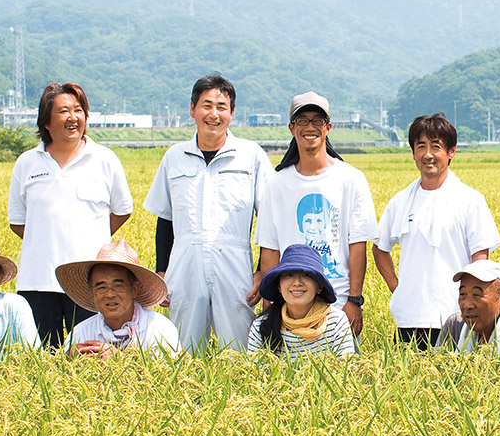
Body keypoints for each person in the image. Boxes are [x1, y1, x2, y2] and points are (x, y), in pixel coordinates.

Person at [143, 73, 273, 352]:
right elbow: (165, 219)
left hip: (235, 263)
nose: (214, 114)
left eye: (221, 107)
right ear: (192, 109)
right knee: (182, 350)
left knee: (239, 349)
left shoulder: (250, 155)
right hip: (184, 265)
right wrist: (161, 270)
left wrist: (263, 271)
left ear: (232, 113)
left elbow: (269, 219)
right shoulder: (174, 157)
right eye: (206, 105)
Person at [7, 82, 133, 349]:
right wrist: (46, 238)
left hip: (88, 283)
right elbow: (18, 221)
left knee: (89, 357)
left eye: (79, 110)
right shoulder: (27, 162)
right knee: (41, 358)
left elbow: (122, 211)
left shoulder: (104, 159)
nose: (73, 117)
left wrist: (88, 236)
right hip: (37, 280)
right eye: (64, 111)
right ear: (46, 121)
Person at [373, 113, 500, 350]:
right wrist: (397, 288)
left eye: (436, 146)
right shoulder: (400, 201)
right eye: (420, 146)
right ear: (413, 153)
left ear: (451, 152)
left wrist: (473, 307)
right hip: (408, 318)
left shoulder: (469, 200)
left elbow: (480, 262)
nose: (428, 154)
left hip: (455, 317)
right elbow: (380, 248)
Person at [253, 92, 378, 337]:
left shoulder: (351, 179)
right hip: (289, 306)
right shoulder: (277, 186)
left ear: (328, 127)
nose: (310, 127)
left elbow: (357, 247)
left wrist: (354, 299)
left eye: (317, 121)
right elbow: (269, 251)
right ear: (291, 128)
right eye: (302, 121)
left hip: (338, 302)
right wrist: (269, 307)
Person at [56, 240, 180, 357]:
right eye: (101, 287)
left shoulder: (159, 329)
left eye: (118, 286)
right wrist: (69, 358)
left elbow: (170, 373)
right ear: (92, 292)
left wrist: (120, 360)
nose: (110, 294)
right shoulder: (81, 333)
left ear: (135, 289)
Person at [247, 244, 355, 358]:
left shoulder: (336, 322)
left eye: (307, 275)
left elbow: (345, 370)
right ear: (279, 286)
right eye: (289, 275)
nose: (297, 283)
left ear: (319, 286)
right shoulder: (261, 325)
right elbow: (255, 372)